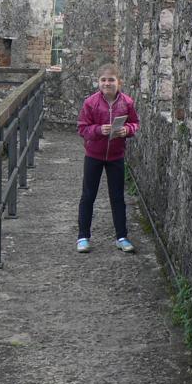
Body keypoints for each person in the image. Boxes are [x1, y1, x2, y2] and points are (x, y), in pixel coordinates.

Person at [75, 63, 139, 253]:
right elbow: (82, 128)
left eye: (111, 80)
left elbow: (135, 123)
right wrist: (98, 130)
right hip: (93, 155)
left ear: (119, 82)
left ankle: (122, 237)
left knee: (117, 197)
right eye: (103, 80)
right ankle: (83, 237)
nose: (107, 83)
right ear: (98, 82)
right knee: (88, 196)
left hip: (116, 156)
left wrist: (127, 130)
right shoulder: (90, 103)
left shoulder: (127, 102)